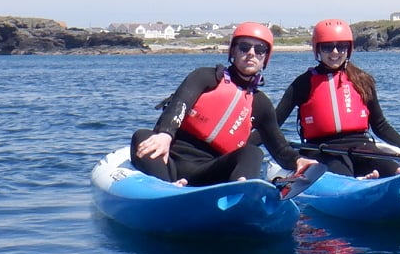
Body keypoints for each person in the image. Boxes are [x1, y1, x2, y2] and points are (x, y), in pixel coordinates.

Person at [131, 23, 313, 187]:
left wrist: (298, 161)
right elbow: (179, 105)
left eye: (259, 50)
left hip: (210, 172)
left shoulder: (260, 104)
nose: (251, 53)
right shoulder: (205, 77)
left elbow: (279, 148)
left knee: (253, 153)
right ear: (233, 51)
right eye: (244, 47)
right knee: (142, 136)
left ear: (265, 58)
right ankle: (168, 189)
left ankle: (240, 192)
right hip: (169, 163)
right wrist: (165, 134)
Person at [275, 18, 400, 177]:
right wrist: (283, 155)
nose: (335, 52)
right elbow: (272, 126)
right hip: (321, 150)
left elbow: (380, 126)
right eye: (327, 47)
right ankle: (363, 181)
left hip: (362, 146)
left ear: (349, 49)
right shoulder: (303, 83)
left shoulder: (362, 80)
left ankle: (372, 179)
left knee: (394, 170)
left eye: (341, 46)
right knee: (341, 171)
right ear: (318, 49)